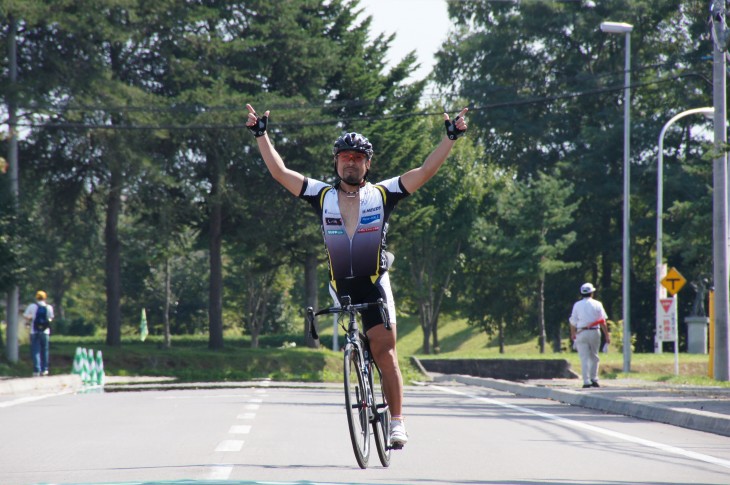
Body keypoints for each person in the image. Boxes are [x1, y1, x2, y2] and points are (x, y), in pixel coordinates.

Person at [246, 103, 468, 447]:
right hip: (342, 287)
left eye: (358, 156)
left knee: (385, 350)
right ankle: (359, 358)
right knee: (361, 341)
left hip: (375, 284)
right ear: (336, 161)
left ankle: (396, 421)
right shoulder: (321, 196)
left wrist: (450, 138)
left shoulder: (382, 194)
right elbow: (280, 172)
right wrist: (261, 135)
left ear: (368, 163)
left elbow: (425, 170)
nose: (351, 161)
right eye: (345, 156)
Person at [569, 283, 610, 388]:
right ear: (592, 292)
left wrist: (573, 334)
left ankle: (586, 381)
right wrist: (607, 335)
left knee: (584, 357)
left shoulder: (577, 305)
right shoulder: (597, 304)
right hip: (594, 331)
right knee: (594, 356)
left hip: (581, 332)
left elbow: (573, 321)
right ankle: (594, 378)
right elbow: (602, 321)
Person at [23, 290, 55, 377]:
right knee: (45, 350)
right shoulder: (49, 307)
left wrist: (30, 318)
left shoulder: (32, 306)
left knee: (35, 350)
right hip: (45, 331)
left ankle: (36, 370)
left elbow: (25, 316)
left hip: (34, 331)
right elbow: (51, 318)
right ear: (45, 298)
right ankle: (45, 370)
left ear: (36, 297)